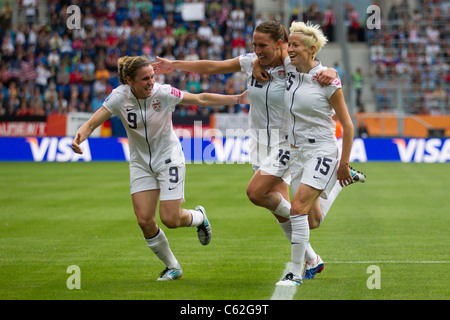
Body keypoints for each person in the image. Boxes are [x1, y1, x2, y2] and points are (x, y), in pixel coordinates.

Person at [71, 56, 247, 281]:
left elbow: (200, 98)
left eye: (152, 77)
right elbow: (91, 123)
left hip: (168, 159)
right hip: (140, 163)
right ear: (129, 81)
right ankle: (172, 266)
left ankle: (199, 217)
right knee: (144, 220)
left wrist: (236, 98)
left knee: (170, 220)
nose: (151, 82)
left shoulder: (163, 93)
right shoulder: (118, 97)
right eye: (145, 79)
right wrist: (79, 138)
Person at [275, 21, 357, 286]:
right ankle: (337, 188)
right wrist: (255, 64)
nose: (290, 49)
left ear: (311, 50)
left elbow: (348, 126)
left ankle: (295, 271)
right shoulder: (289, 67)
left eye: (295, 45)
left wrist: (343, 163)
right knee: (312, 221)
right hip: (297, 153)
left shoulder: (329, 81)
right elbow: (262, 57)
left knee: (297, 210)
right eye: (289, 45)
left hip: (321, 149)